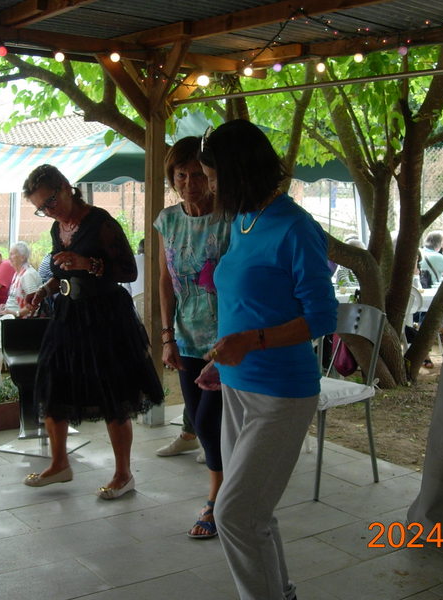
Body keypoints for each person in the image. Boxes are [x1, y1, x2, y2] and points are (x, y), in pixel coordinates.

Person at [199, 120, 337, 599]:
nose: (209, 188)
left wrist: (251, 342)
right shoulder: (244, 221)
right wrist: (223, 357)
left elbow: (322, 316)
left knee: (233, 513)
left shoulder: (296, 228)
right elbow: (247, 301)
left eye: (213, 178)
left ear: (239, 173)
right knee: (254, 513)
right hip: (238, 383)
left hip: (281, 393)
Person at [21, 164, 163, 498]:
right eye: (41, 208)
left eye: (50, 201)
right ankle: (59, 464)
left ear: (66, 187)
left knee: (112, 391)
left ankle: (123, 474)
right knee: (52, 383)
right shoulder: (57, 228)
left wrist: (88, 264)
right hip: (68, 314)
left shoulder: (101, 223)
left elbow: (128, 271)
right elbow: (63, 273)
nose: (49, 211)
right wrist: (44, 290)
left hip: (105, 316)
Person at [155, 136, 231, 538]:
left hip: (226, 340)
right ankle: (226, 489)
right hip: (185, 336)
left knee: (207, 421)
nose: (189, 184)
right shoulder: (167, 220)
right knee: (202, 423)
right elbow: (165, 281)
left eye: (198, 175)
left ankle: (216, 501)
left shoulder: (230, 218)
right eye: (181, 175)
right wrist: (167, 336)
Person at [0, 241, 41, 318]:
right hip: (11, 316)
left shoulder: (28, 275)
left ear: (22, 257)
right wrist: (6, 307)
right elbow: (15, 299)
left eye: (12, 254)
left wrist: (15, 313)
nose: (9, 258)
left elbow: (34, 305)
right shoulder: (17, 274)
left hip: (20, 320)